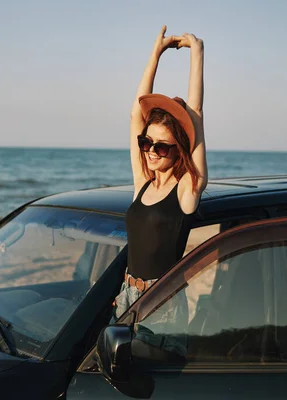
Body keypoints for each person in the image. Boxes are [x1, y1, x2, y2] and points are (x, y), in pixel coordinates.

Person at [113, 25, 208, 322]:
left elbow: (195, 116)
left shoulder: (187, 190)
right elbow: (135, 115)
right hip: (125, 296)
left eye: (162, 146)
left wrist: (197, 53)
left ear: (180, 149)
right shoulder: (143, 182)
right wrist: (156, 53)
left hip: (162, 304)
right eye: (146, 142)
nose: (151, 151)